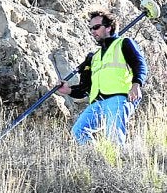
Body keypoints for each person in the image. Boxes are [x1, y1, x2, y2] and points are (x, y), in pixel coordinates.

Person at [57, 8, 147, 145]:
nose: (93, 31)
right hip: (97, 103)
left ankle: (117, 163)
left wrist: (136, 85)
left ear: (109, 28)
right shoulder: (94, 57)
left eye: (96, 27)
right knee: (78, 131)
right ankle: (98, 159)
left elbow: (139, 64)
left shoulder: (124, 43)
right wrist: (68, 90)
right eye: (91, 29)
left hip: (118, 99)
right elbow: (86, 88)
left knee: (114, 137)